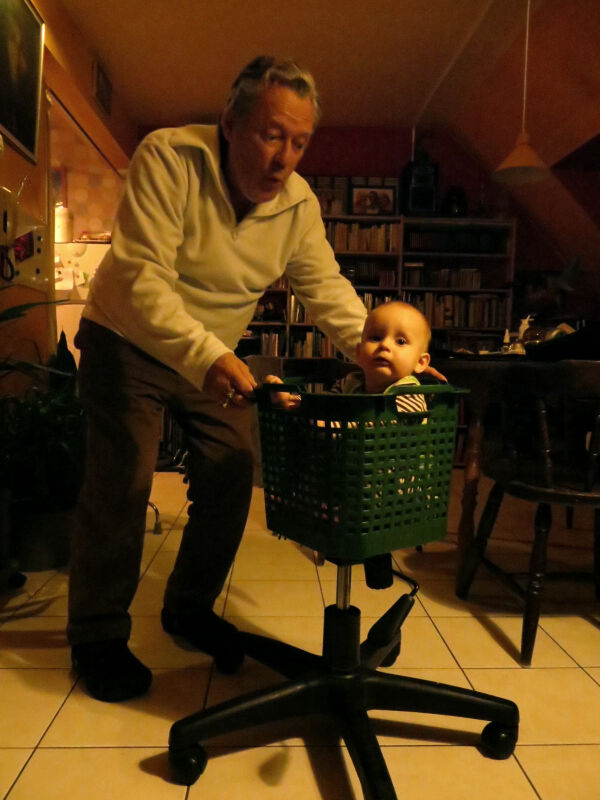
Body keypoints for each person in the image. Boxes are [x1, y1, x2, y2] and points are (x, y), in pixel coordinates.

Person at [67, 56, 370, 703]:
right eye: (271, 135)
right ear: (230, 123)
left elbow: (326, 289)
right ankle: (96, 636)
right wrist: (206, 355)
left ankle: (188, 608)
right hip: (126, 336)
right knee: (124, 479)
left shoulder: (298, 205)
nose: (284, 159)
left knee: (234, 469)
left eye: (299, 142)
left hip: (209, 352)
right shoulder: (169, 157)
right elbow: (143, 279)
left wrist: (381, 350)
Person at [267, 300, 431, 410]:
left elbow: (378, 428)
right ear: (359, 353)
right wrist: (292, 398)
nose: (384, 345)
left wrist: (326, 424)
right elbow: (320, 401)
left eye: (401, 341)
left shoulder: (409, 393)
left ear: (421, 362)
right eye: (376, 338)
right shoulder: (350, 383)